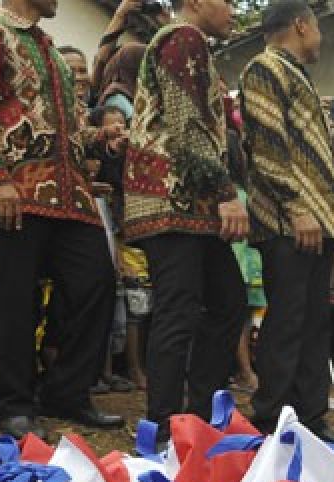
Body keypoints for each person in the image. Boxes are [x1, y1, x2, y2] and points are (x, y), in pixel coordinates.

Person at [0, 0, 126, 438]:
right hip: (14, 188)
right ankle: (12, 404)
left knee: (96, 282)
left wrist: (99, 137)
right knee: (12, 299)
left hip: (69, 193)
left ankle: (66, 392)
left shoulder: (51, 48)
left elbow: (61, 124)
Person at [125, 0, 250, 436]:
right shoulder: (184, 39)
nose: (234, 9)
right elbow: (186, 125)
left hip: (187, 203)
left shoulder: (187, 42)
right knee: (180, 310)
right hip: (173, 199)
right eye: (227, 1)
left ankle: (200, 410)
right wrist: (224, 193)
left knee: (228, 301)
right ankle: (164, 421)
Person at [239, 0, 334, 446]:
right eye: (318, 29)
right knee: (287, 320)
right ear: (302, 26)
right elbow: (269, 148)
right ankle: (272, 418)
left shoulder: (296, 74)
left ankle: (312, 417)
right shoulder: (264, 69)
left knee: (314, 323)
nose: (321, 39)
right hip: (290, 222)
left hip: (317, 223)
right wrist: (298, 208)